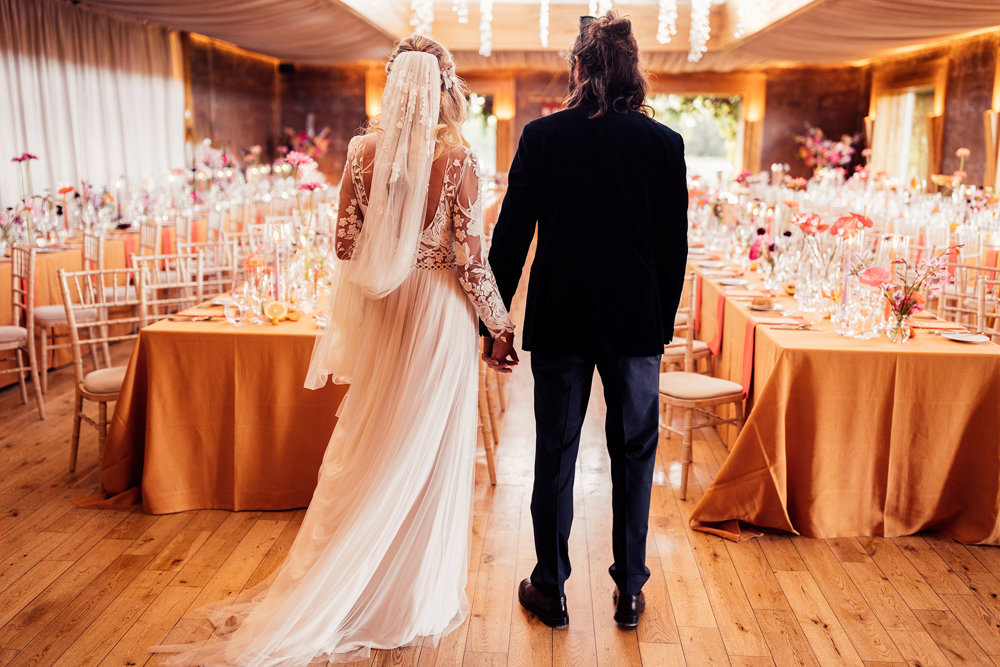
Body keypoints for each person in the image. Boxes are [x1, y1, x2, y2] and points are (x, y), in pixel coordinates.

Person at [152, 35, 517, 664]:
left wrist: (392, 244)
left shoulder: (361, 153)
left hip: (386, 311)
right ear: (444, 87)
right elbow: (471, 263)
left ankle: (356, 583)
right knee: (424, 450)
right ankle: (408, 595)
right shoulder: (458, 162)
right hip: (438, 315)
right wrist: (501, 326)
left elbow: (345, 246)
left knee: (376, 440)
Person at [482, 12, 688, 629]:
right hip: (634, 325)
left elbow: (511, 236)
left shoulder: (543, 138)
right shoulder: (665, 144)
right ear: (634, 72)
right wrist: (661, 324)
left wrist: (494, 323)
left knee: (556, 452)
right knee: (634, 454)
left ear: (579, 67)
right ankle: (630, 590)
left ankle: (550, 586)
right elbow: (672, 248)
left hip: (562, 319)